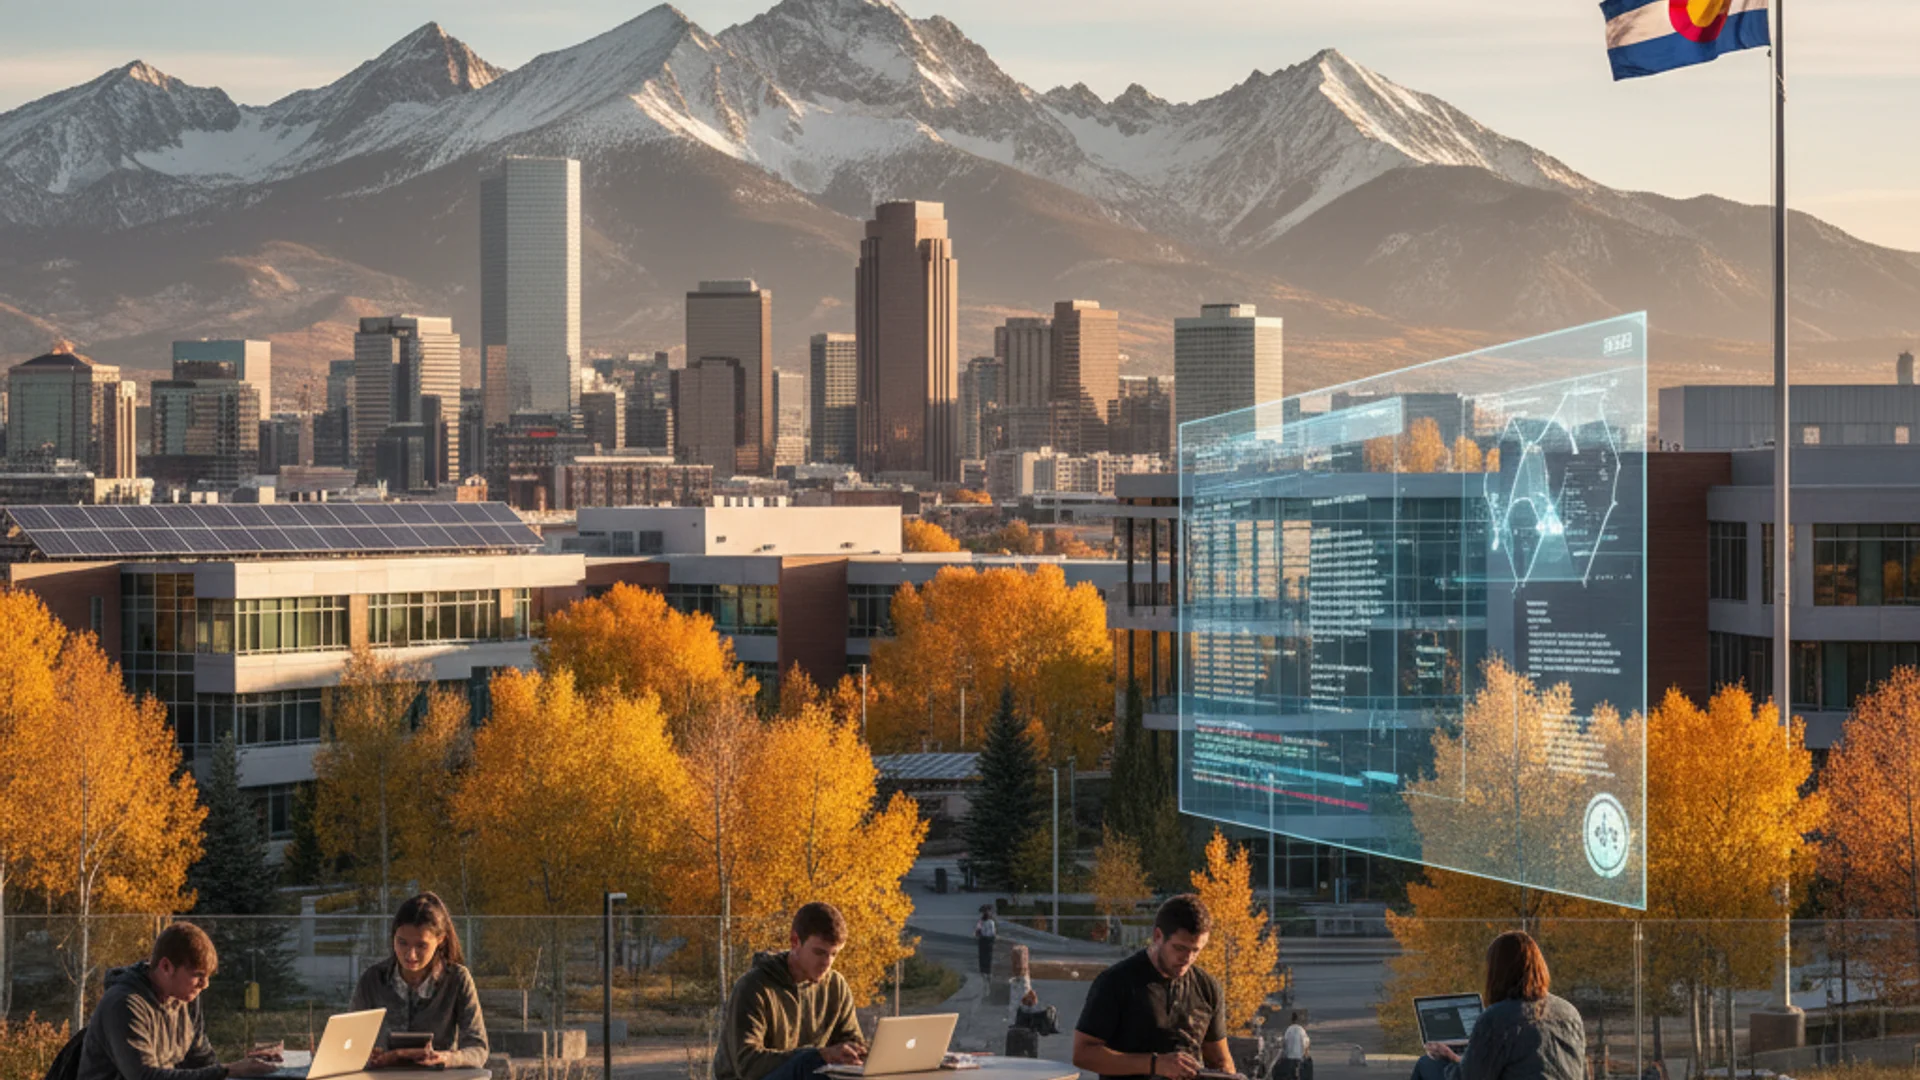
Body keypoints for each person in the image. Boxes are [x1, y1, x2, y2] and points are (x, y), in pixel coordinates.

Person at [77, 922, 280, 1080]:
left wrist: (248, 1066)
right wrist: (228, 1070)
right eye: (198, 975)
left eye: (208, 977)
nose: (205, 984)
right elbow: (145, 1077)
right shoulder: (124, 1004)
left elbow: (203, 1064)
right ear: (166, 967)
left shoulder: (185, 998)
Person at [1073, 894, 1236, 1080]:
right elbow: (1083, 1054)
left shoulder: (1207, 987)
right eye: (1179, 948)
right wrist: (1155, 1064)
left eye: (1195, 950)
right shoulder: (1116, 982)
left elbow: (1220, 1060)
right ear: (1158, 936)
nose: (1187, 958)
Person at [714, 902, 867, 1080]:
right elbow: (747, 1065)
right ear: (795, 941)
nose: (827, 963)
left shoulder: (836, 986)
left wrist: (856, 1054)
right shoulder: (754, 988)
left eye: (834, 954)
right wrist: (817, 1055)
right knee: (811, 1066)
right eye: (819, 952)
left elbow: (852, 1041)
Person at [349, 892, 489, 1069]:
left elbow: (478, 1049)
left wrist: (447, 1058)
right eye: (402, 943)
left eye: (421, 945)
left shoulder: (457, 979)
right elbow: (351, 1043)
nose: (410, 954)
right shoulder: (373, 979)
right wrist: (364, 1054)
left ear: (440, 940)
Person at [1423, 931, 1585, 1080]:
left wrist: (1446, 1059)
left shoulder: (1497, 1017)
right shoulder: (1569, 1012)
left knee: (1428, 1065)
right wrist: (1456, 1058)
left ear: (1497, 972)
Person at [1278, 1012, 1310, 1080]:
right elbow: (1306, 1042)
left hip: (1290, 1055)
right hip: (1299, 1054)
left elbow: (1285, 1042)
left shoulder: (1289, 1029)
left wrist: (1283, 1053)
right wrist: (1305, 1052)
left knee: (1291, 1072)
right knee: (1297, 1070)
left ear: (1291, 1020)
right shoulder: (1301, 1029)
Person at [974, 905, 997, 977]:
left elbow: (993, 932)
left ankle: (986, 970)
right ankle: (985, 970)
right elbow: (977, 931)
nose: (986, 913)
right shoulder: (981, 922)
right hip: (985, 939)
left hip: (987, 939)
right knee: (984, 955)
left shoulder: (990, 922)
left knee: (987, 955)